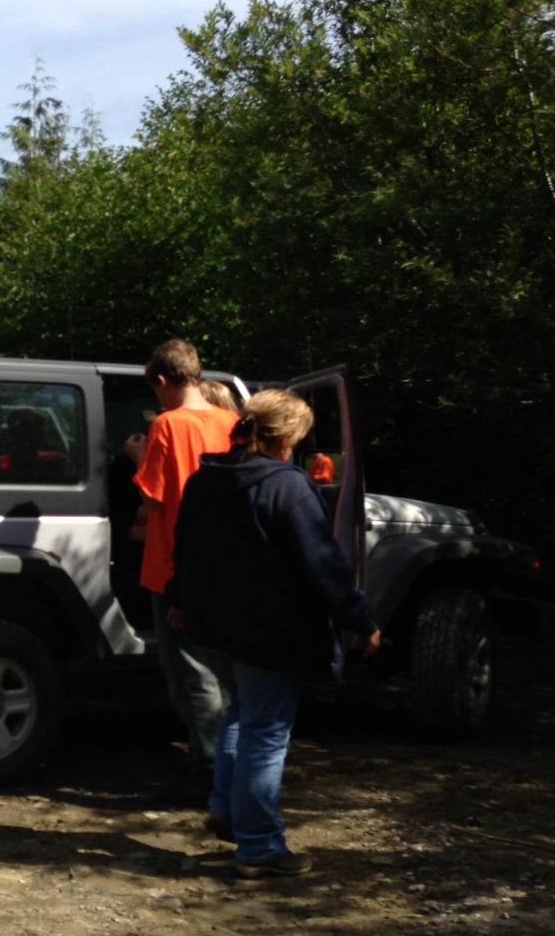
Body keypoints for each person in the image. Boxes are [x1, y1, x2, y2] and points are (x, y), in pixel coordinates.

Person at [168, 389, 380, 877]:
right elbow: (323, 566)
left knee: (241, 714)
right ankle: (260, 847)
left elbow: (186, 548)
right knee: (265, 729)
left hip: (209, 628)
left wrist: (180, 599)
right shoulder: (288, 486)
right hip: (265, 633)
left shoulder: (206, 479)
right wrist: (361, 620)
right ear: (286, 437)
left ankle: (226, 810)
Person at [125, 341, 238, 782]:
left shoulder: (168, 426)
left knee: (189, 671)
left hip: (172, 565)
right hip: (223, 562)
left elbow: (151, 499)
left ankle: (207, 765)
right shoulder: (232, 422)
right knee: (223, 667)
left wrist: (136, 457)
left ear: (162, 381)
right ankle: (224, 757)